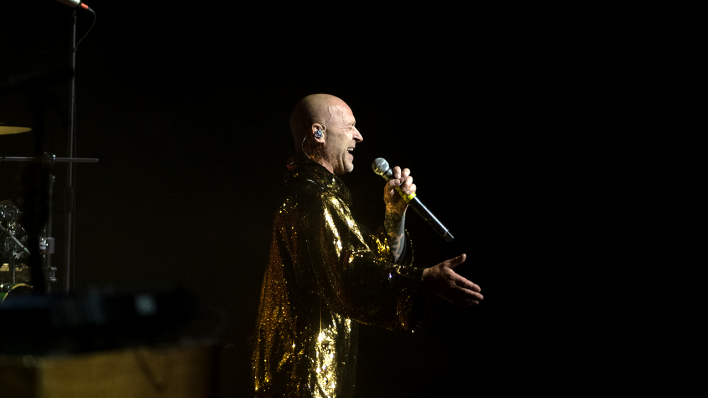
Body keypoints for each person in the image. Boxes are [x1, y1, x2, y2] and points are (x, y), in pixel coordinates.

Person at [251, 94, 483, 397]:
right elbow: (352, 277)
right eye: (350, 127)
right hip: (307, 384)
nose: (359, 137)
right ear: (318, 133)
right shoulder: (314, 201)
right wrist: (423, 279)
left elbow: (370, 262)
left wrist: (395, 213)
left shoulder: (311, 195)